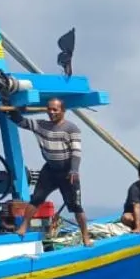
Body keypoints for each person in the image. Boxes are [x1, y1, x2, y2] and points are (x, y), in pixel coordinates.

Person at [10, 98, 93, 246]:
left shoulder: (71, 128)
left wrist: (74, 169)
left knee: (76, 206)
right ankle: (24, 225)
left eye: (55, 109)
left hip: (67, 172)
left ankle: (85, 236)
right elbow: (20, 121)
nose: (51, 112)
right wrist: (13, 109)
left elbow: (76, 152)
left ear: (63, 111)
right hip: (50, 169)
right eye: (49, 109)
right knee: (36, 198)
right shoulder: (42, 125)